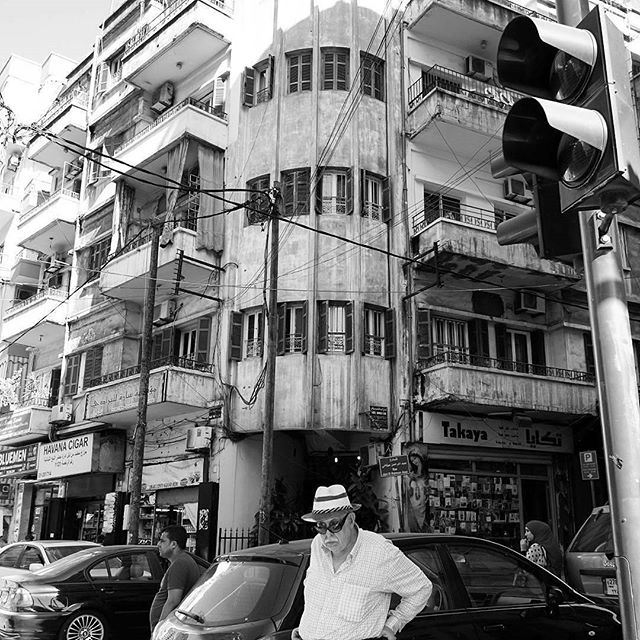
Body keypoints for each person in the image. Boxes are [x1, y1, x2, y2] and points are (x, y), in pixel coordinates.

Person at [292, 484, 432, 640]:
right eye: (321, 526)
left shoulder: (379, 552)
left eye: (334, 525)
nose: (328, 535)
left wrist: (393, 624)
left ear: (351, 520)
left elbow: (421, 588)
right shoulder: (318, 544)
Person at [149, 525, 202, 632]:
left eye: (162, 541)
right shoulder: (182, 561)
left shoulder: (179, 564)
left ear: (173, 544)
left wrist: (160, 628)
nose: (158, 545)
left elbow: (173, 601)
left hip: (168, 630)